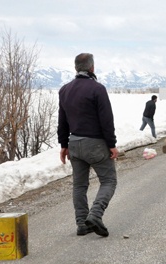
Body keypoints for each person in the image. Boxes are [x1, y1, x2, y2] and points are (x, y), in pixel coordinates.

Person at [58, 53, 118, 237]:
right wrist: (112, 144)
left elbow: (63, 120)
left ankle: (82, 224)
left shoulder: (65, 90)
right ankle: (95, 215)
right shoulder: (97, 89)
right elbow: (106, 119)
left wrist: (64, 144)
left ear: (76, 67)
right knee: (108, 180)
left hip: (74, 144)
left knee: (79, 185)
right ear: (92, 68)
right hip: (95, 143)